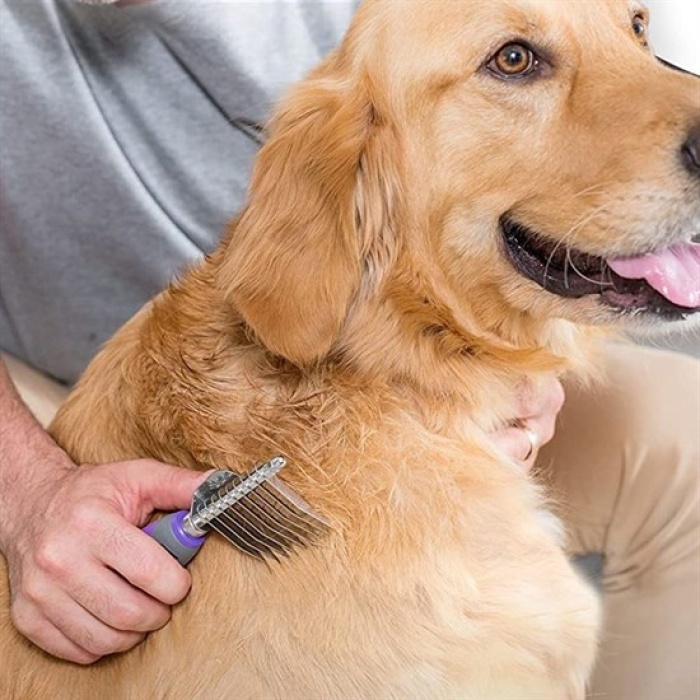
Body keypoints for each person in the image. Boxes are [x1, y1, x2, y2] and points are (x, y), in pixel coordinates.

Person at [0, 0, 697, 697]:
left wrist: (531, 330)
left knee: (681, 433)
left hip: (390, 327)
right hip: (40, 402)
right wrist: (26, 490)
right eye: (515, 60)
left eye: (636, 25)